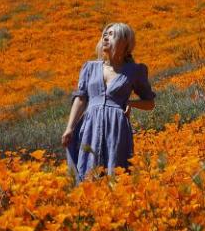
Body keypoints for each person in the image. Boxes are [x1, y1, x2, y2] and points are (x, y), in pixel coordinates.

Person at [62, 22, 156, 182]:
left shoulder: (135, 71)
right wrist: (69, 128)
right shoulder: (90, 68)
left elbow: (149, 103)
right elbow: (81, 98)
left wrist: (131, 103)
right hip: (90, 126)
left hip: (116, 128)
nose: (105, 37)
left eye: (112, 34)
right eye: (105, 34)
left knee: (116, 174)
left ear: (125, 42)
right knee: (88, 172)